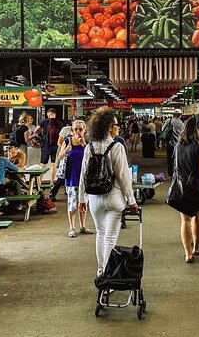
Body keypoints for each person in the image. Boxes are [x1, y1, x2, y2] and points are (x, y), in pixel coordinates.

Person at [78, 107, 138, 277]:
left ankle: (100, 272)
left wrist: (81, 198)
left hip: (94, 199)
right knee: (110, 238)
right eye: (116, 125)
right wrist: (131, 200)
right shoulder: (116, 147)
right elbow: (123, 177)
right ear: (109, 127)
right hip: (114, 198)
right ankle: (108, 274)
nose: (117, 128)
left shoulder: (89, 147)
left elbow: (83, 174)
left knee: (100, 234)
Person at [174, 116, 199, 263]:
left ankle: (188, 254)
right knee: (197, 217)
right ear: (198, 129)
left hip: (181, 186)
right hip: (196, 187)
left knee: (184, 220)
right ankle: (196, 247)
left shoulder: (178, 145)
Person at [58, 120, 92, 238]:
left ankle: (83, 226)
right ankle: (72, 227)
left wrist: (84, 145)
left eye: (80, 129)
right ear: (72, 130)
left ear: (84, 130)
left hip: (84, 177)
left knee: (83, 204)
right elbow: (60, 156)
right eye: (76, 129)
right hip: (71, 177)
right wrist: (66, 150)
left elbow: (92, 157)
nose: (78, 132)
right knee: (72, 204)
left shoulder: (87, 142)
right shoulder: (67, 141)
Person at [48, 122, 75, 202]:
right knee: (62, 177)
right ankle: (52, 193)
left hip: (76, 158)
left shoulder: (83, 133)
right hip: (65, 156)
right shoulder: (66, 130)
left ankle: (68, 191)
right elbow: (59, 142)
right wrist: (66, 150)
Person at [39, 108, 62, 184]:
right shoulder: (59, 122)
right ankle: (52, 182)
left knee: (43, 164)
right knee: (53, 164)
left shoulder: (45, 122)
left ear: (49, 114)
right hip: (56, 146)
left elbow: (36, 130)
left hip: (46, 145)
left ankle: (39, 182)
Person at [163, 110, 184, 178]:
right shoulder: (182, 124)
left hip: (170, 143)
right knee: (178, 159)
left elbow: (163, 128)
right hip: (178, 144)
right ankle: (177, 173)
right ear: (180, 115)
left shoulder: (169, 121)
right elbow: (183, 134)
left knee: (169, 159)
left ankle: (170, 174)